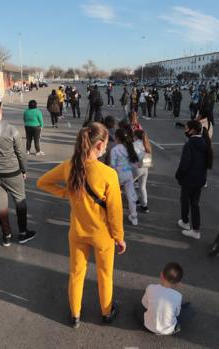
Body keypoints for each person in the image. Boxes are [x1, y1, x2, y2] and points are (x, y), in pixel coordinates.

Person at [37, 122, 125, 329]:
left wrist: (66, 193)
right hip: (102, 234)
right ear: (100, 145)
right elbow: (115, 212)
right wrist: (119, 237)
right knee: (105, 274)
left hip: (77, 232)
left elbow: (42, 182)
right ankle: (106, 311)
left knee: (76, 273)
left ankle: (74, 313)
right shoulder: (108, 174)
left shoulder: (69, 166)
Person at [0, 99, 37, 246]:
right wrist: (24, 169)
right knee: (20, 200)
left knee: (1, 204)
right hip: (11, 172)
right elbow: (21, 153)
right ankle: (23, 233)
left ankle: (7, 235)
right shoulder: (11, 130)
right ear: (0, 110)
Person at [176, 120, 213, 240]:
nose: (185, 130)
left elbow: (184, 164)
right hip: (200, 179)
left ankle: (186, 222)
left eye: (186, 128)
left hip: (189, 179)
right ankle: (195, 228)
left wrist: (178, 175)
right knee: (195, 203)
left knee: (185, 200)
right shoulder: (205, 142)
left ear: (192, 130)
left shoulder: (190, 144)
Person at [134, 262, 194, 335]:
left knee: (138, 307)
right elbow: (177, 314)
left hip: (147, 325)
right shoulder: (178, 296)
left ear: (161, 275)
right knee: (189, 310)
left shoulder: (150, 287)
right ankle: (176, 327)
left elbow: (145, 305)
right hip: (168, 330)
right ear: (178, 284)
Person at [110, 128, 140, 226]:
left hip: (117, 176)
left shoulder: (114, 150)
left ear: (117, 138)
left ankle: (113, 217)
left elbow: (112, 165)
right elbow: (134, 164)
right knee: (131, 196)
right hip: (128, 174)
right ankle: (134, 216)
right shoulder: (129, 148)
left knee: (114, 197)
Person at [133, 129, 152, 213]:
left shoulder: (134, 145)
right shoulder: (146, 144)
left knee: (130, 184)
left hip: (137, 168)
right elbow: (148, 158)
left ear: (136, 137)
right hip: (145, 168)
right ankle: (145, 205)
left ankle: (136, 200)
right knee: (142, 187)